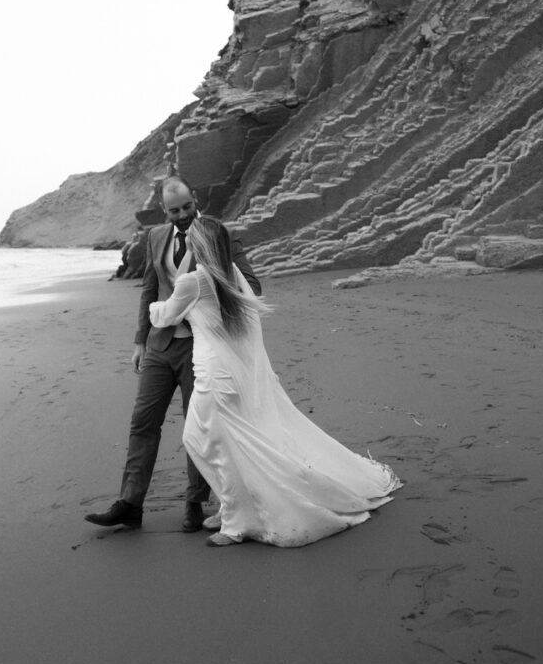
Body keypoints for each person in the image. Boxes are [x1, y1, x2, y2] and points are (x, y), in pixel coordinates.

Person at [147, 216, 401, 546]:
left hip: (213, 374)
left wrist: (155, 304)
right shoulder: (230, 276)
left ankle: (236, 526)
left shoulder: (192, 282)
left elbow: (166, 315)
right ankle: (231, 509)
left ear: (198, 247)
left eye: (193, 241)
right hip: (231, 374)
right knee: (223, 443)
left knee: (204, 441)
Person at [85, 178, 261, 533]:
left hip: (202, 348)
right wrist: (139, 341)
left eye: (186, 207)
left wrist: (206, 282)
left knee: (197, 426)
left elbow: (252, 286)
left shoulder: (215, 233)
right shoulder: (155, 237)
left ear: (195, 199)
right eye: (174, 211)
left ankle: (195, 503)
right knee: (143, 421)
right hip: (159, 345)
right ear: (164, 211)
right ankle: (130, 504)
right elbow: (149, 288)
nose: (182, 216)